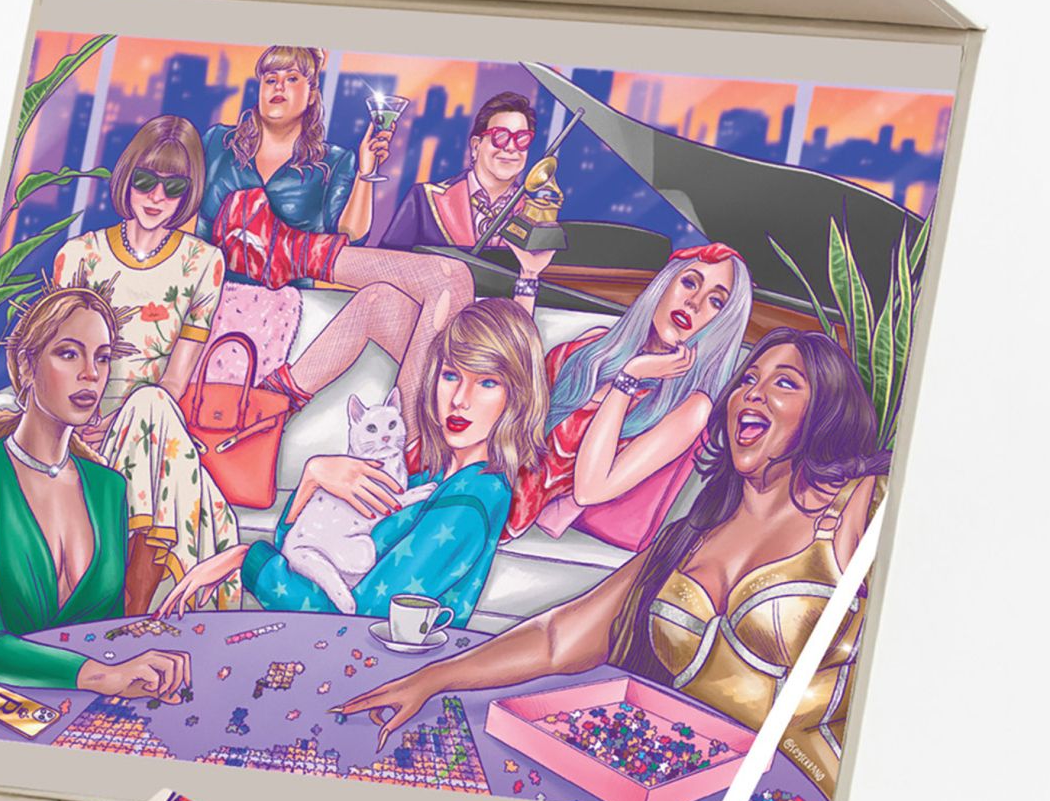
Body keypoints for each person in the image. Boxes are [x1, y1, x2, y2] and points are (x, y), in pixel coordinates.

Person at [337, 329, 888, 797]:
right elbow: (558, 637)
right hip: (691, 784)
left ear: (826, 410)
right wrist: (434, 678)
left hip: (813, 790)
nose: (754, 393)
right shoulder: (686, 541)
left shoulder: (862, 504)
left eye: (784, 383)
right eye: (748, 379)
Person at [157, 299, 548, 625]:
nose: (460, 399)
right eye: (450, 375)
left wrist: (247, 560)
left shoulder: (472, 499)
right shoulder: (429, 477)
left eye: (487, 382)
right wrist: (312, 477)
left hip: (378, 670)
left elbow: (357, 619)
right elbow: (300, 551)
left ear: (517, 396)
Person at [0, 283, 193, 698]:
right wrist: (102, 677)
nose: (91, 374)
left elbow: (103, 632)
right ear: (26, 366)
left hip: (73, 700)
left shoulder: (109, 489)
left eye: (102, 358)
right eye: (68, 354)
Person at [197, 46, 474, 422]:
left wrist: (365, 171)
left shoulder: (333, 160)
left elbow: (351, 233)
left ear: (312, 93)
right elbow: (189, 217)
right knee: (444, 286)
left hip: (303, 266)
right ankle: (415, 441)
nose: (278, 87)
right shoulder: (218, 143)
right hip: (223, 284)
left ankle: (408, 436)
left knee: (442, 280)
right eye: (270, 79)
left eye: (292, 78)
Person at [48, 116, 239, 608]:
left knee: (152, 405)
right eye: (146, 181)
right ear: (126, 177)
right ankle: (132, 615)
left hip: (152, 428)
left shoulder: (204, 263)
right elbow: (58, 360)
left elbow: (174, 380)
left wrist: (128, 420)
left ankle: (128, 611)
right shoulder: (80, 256)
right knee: (161, 439)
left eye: (173, 188)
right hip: (82, 423)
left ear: (189, 193)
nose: (156, 198)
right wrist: (81, 421)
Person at [529, 243, 754, 549]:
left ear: (724, 323)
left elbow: (588, 490)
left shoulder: (692, 407)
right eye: (689, 283)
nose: (694, 303)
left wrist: (630, 378)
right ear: (664, 284)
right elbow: (511, 404)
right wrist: (528, 278)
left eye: (716, 301)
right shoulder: (592, 349)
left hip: (505, 508)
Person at [379, 91, 549, 252]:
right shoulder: (423, 200)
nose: (511, 147)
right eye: (500, 136)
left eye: (521, 138)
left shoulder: (535, 216)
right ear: (476, 146)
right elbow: (385, 263)